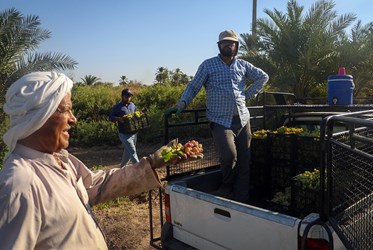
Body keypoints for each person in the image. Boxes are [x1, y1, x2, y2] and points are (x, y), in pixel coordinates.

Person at [0, 71, 178, 249]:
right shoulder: (19, 186)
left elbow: (96, 185)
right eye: (66, 109)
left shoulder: (60, 159)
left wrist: (154, 162)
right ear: (39, 117)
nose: (73, 119)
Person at [165, 30, 269, 203]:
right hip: (221, 121)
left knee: (245, 161)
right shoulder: (208, 65)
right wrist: (181, 104)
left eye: (232, 43)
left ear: (236, 46)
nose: (228, 46)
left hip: (243, 119)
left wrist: (248, 94)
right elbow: (193, 86)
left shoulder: (242, 65)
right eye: (225, 43)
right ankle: (227, 185)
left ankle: (241, 198)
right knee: (229, 155)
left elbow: (263, 77)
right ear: (220, 46)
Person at [109, 88, 139, 166]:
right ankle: (139, 168)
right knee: (132, 151)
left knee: (128, 152)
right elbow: (111, 118)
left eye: (130, 96)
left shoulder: (132, 105)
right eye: (127, 96)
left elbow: (135, 114)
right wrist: (119, 119)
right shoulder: (117, 107)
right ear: (122, 96)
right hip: (124, 134)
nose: (128, 98)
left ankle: (122, 167)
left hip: (133, 132)